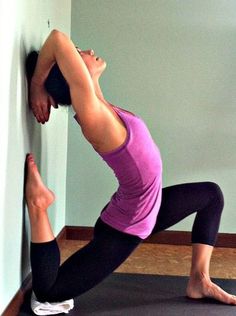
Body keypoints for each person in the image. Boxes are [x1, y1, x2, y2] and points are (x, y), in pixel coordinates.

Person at [25, 29, 236, 306]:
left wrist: (71, 76)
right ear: (71, 75)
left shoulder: (98, 102)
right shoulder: (93, 113)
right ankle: (38, 205)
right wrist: (37, 85)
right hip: (125, 229)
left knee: (211, 195)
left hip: (146, 207)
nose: (88, 52)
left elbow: (64, 53)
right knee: (50, 292)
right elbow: (56, 39)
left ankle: (200, 280)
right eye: (79, 55)